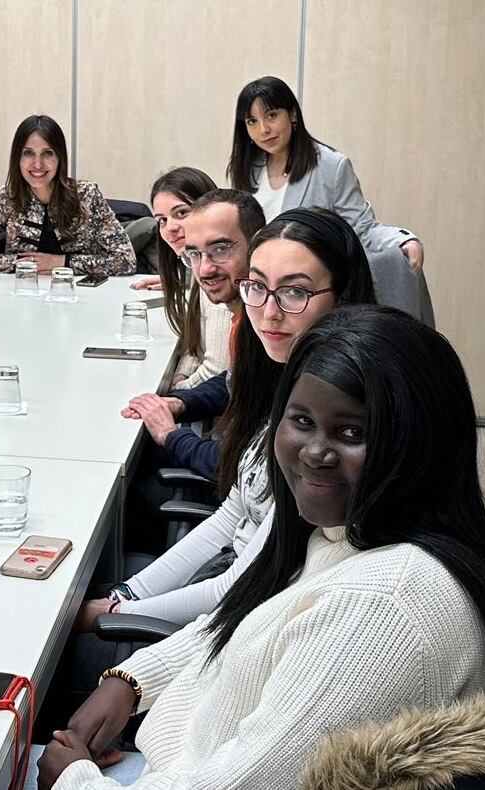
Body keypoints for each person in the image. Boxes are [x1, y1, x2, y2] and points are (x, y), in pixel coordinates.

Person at [38, 304, 485, 789]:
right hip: (178, 752)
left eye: (353, 432)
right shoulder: (346, 532)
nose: (315, 453)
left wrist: (75, 779)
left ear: (420, 442)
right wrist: (131, 679)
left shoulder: (380, 606)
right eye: (301, 421)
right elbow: (242, 621)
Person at [89, 207, 377, 630]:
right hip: (226, 583)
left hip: (247, 613)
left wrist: (114, 614)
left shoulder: (327, 417)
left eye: (294, 292)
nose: (269, 312)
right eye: (257, 288)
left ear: (342, 295)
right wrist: (124, 596)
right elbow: (233, 512)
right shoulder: (279, 377)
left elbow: (249, 580)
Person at [228, 75, 432, 323]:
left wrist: (402, 240)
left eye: (271, 115)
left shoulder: (330, 166)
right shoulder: (247, 169)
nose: (264, 129)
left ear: (292, 115)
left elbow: (363, 226)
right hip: (263, 295)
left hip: (308, 296)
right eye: (253, 121)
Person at [119, 189, 266, 484]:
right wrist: (181, 402)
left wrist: (172, 437)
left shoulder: (271, 328)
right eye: (194, 254)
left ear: (259, 244)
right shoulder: (246, 316)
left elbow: (249, 467)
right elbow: (233, 381)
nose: (205, 268)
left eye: (220, 249)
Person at [0, 115, 137, 276]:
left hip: (77, 296)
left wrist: (62, 263)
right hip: (23, 297)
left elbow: (126, 260)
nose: (38, 164)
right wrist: (21, 264)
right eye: (28, 153)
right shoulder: (9, 197)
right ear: (18, 159)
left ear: (60, 158)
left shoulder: (87, 196)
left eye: (47, 153)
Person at [135, 167, 224, 389]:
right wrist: (180, 376)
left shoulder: (219, 276)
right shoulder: (196, 265)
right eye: (162, 220)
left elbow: (217, 371)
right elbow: (196, 346)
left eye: (181, 213)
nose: (170, 228)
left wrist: (174, 393)